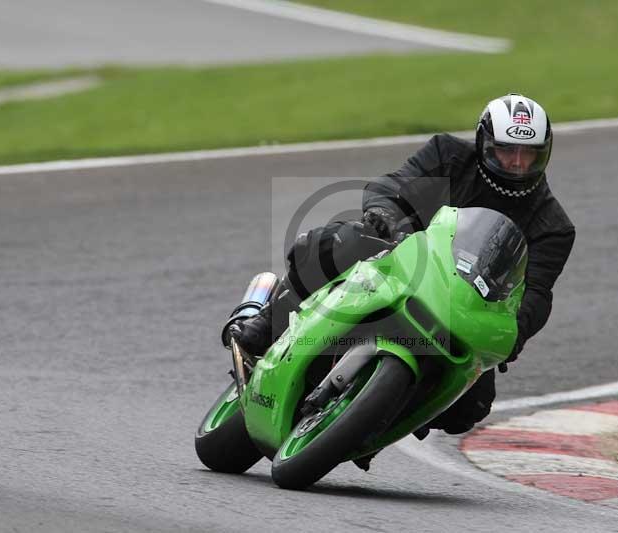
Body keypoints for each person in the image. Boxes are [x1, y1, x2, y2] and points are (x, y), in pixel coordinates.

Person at [230, 93, 575, 435]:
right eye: (507, 150)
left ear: (544, 153)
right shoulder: (448, 155)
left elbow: (537, 292)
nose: (516, 162)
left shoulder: (553, 226)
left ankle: (380, 416)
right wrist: (385, 215)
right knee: (337, 243)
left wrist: (515, 334)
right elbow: (393, 185)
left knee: (471, 407)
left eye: (528, 154)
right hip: (401, 261)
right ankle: (267, 322)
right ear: (484, 143)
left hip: (464, 307)